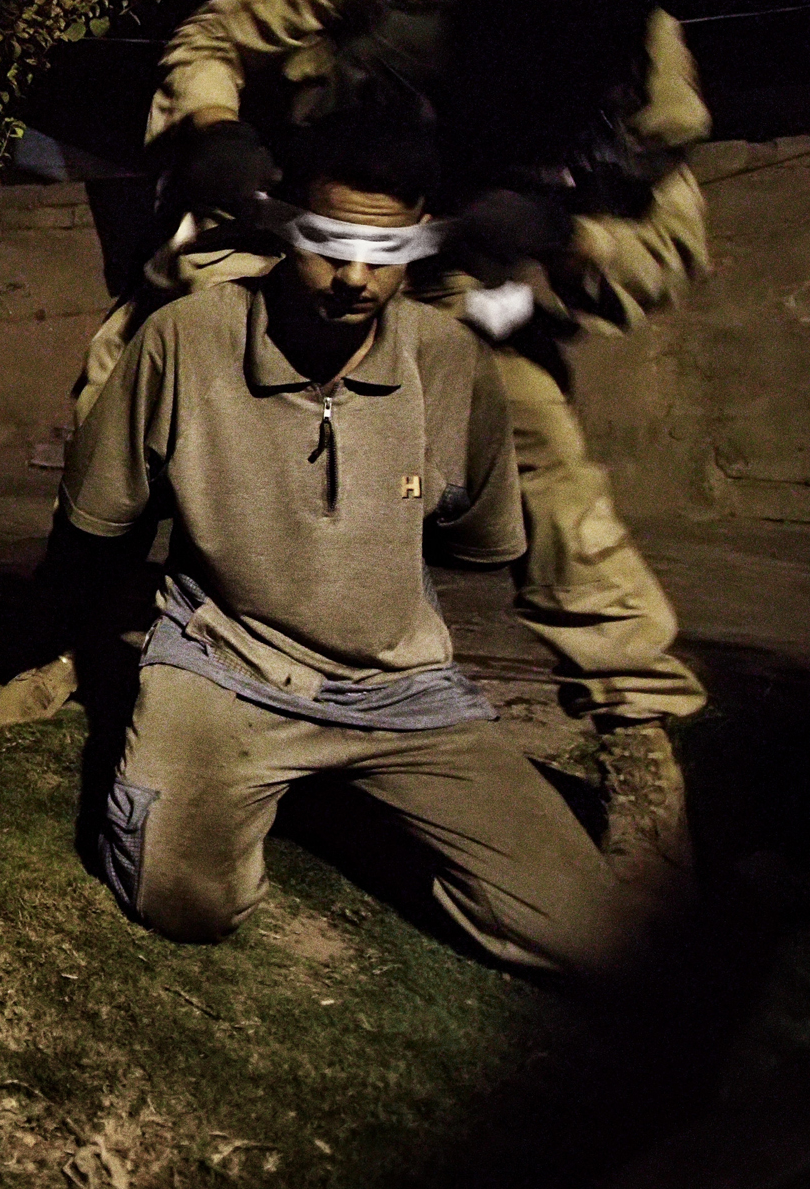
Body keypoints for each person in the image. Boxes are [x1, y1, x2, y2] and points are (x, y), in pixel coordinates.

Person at [77, 0, 793, 874]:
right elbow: (212, 37)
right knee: (137, 359)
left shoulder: (643, 56)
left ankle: (638, 746)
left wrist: (563, 237)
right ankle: (80, 628)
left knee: (545, 463)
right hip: (298, 231)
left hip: (464, 286)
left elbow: (669, 241)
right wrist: (214, 128)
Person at [66, 119, 635, 981]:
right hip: (229, 666)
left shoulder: (452, 362)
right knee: (181, 899)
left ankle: (341, 798)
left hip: (401, 691)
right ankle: (269, 786)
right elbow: (97, 524)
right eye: (329, 244)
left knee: (596, 936)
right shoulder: (186, 339)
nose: (356, 278)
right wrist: (100, 666)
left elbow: (475, 537)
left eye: (387, 248)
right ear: (287, 223)